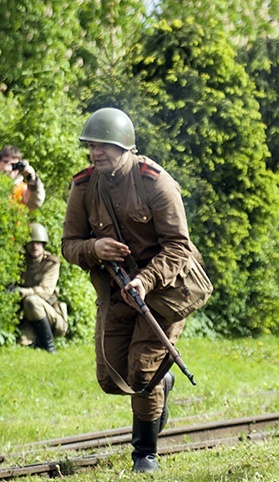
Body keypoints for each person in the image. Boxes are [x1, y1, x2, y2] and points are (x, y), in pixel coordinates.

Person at [61, 107, 191, 473]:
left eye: (105, 146)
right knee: (110, 377)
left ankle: (145, 456)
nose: (96, 153)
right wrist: (94, 249)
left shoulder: (155, 182)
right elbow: (69, 243)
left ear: (126, 148)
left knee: (142, 372)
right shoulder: (85, 185)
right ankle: (162, 382)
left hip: (163, 293)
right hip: (117, 293)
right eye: (92, 146)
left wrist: (146, 280)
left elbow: (179, 247)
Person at [15, 223, 68, 353]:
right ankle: (36, 340)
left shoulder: (51, 263)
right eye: (31, 243)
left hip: (50, 314)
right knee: (22, 342)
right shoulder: (20, 262)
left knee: (32, 301)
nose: (35, 246)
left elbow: (45, 291)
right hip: (28, 316)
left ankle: (49, 346)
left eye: (38, 243)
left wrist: (22, 292)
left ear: (44, 244)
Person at [0, 145, 46, 211]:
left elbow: (35, 203)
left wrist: (31, 178)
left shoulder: (22, 189)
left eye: (14, 165)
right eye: (6, 162)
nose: (9, 168)